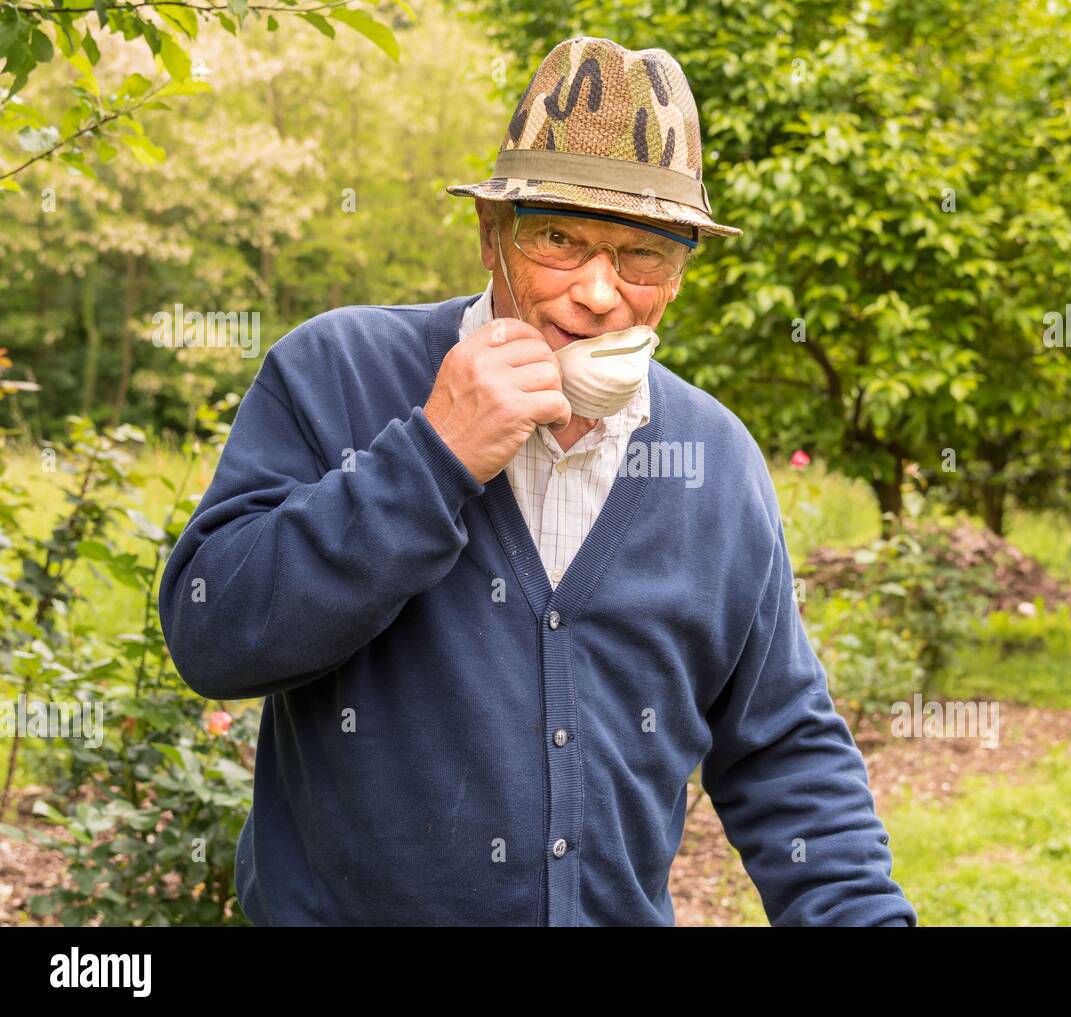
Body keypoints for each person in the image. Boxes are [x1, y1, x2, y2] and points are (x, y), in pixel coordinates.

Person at [159, 35, 917, 927]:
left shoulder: (714, 458)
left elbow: (784, 750)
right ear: (491, 237)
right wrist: (433, 457)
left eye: (644, 253)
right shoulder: (339, 372)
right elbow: (212, 633)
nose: (600, 292)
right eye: (559, 238)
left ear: (677, 276)